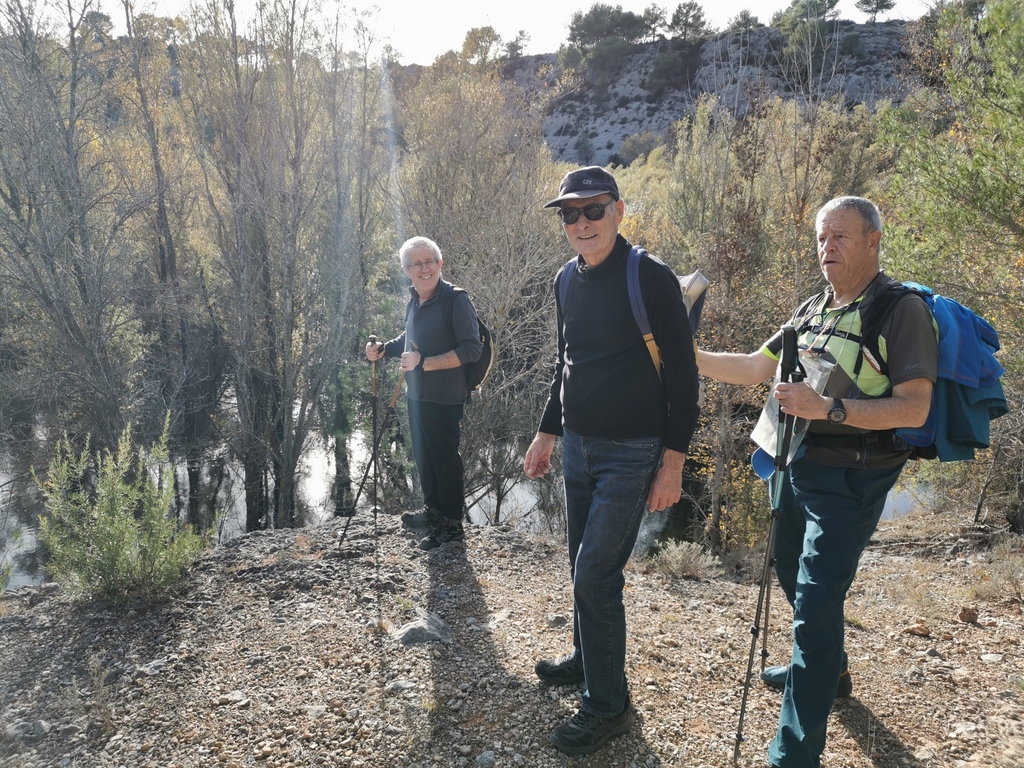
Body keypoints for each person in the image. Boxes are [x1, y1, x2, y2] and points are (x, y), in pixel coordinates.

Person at [696, 196, 938, 768]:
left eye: (841, 238)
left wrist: (824, 407)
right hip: (795, 464)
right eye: (821, 239)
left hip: (853, 476)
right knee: (788, 562)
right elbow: (757, 367)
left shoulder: (899, 311)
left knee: (814, 598)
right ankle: (831, 671)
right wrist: (688, 355)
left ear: (874, 241)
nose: (827, 249)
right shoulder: (814, 310)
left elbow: (915, 408)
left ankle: (795, 750)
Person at [523, 166, 701, 756]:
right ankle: (586, 658)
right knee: (580, 560)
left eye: (592, 210)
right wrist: (547, 433)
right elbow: (566, 363)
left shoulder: (649, 278)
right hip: (578, 445)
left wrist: (673, 461)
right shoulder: (564, 282)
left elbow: (683, 374)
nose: (580, 223)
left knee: (595, 574)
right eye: (569, 214)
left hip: (633, 453)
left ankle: (609, 706)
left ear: (619, 211)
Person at [366, 236, 483, 551]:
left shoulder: (456, 300)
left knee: (444, 459)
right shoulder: (414, 298)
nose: (424, 268)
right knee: (423, 456)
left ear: (440, 264)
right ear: (406, 270)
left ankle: (451, 526)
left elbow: (472, 349)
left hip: (446, 395)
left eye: (429, 261)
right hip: (416, 394)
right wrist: (384, 350)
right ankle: (432, 512)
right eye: (416, 264)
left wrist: (424, 364)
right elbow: (410, 337)